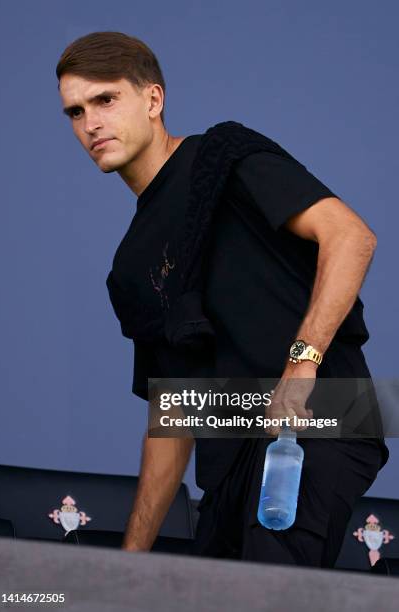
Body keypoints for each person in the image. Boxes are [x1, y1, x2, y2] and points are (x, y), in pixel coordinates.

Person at [56, 31, 389, 568]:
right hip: (230, 458)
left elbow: (351, 237)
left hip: (319, 416)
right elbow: (174, 415)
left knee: (265, 588)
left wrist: (300, 368)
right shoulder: (127, 269)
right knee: (210, 588)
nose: (90, 123)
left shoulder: (222, 156)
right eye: (75, 111)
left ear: (153, 100)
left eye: (106, 99)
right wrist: (126, 564)